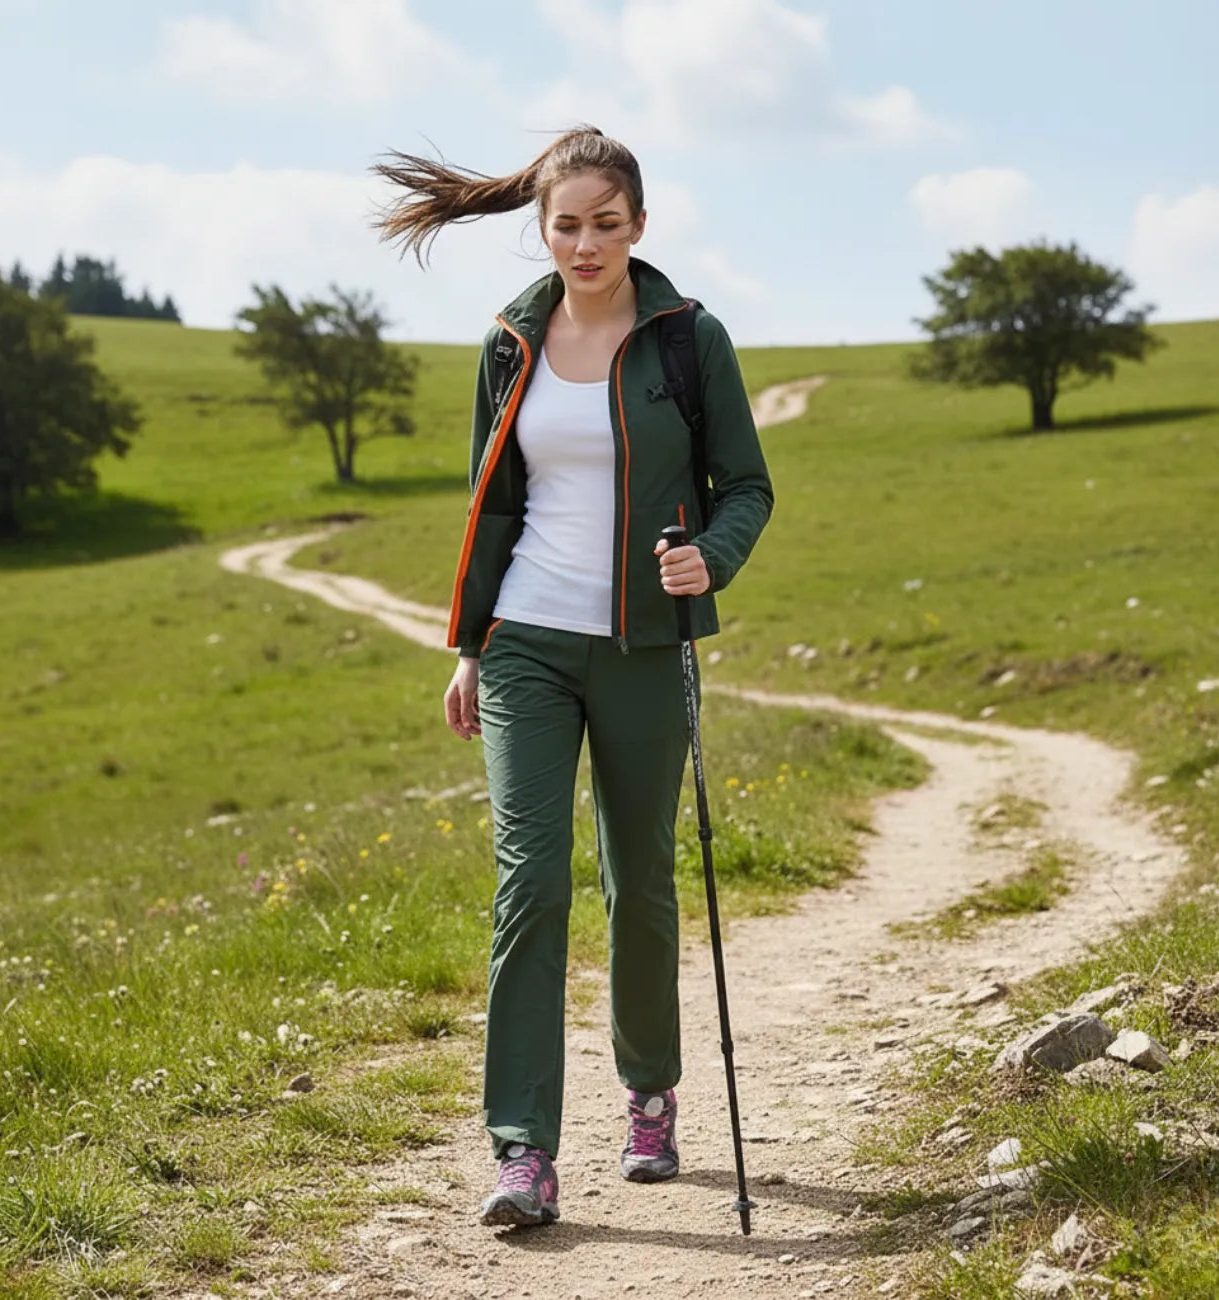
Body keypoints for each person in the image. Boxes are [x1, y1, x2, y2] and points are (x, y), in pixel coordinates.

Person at [374, 126, 773, 1228]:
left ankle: (649, 1096)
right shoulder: (509, 343)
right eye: (566, 225)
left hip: (645, 645)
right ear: (541, 230)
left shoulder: (689, 341)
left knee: (636, 880)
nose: (585, 243)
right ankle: (522, 1151)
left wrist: (711, 556)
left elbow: (746, 485)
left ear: (638, 225)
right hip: (527, 646)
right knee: (529, 885)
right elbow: (491, 502)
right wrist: (470, 645)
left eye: (605, 223)